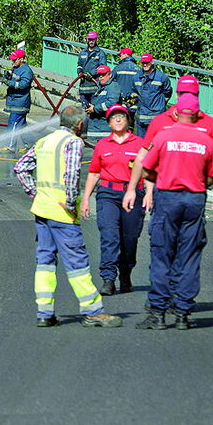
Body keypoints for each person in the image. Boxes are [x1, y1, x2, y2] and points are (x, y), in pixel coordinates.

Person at [14, 105, 122, 328]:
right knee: (77, 262)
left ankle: (45, 312)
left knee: (45, 261)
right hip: (61, 212)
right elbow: (71, 174)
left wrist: (35, 192)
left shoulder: (44, 141)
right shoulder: (73, 143)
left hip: (42, 210)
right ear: (80, 125)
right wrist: (71, 201)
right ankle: (93, 311)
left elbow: (21, 167)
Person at [123, 93, 213, 330]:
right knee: (189, 256)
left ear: (176, 113)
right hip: (195, 199)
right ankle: (183, 313)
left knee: (162, 253)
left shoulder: (165, 136)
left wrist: (163, 178)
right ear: (197, 114)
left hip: (168, 197)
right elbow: (212, 175)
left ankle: (157, 312)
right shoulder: (206, 139)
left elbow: (146, 168)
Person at [80, 104, 146, 295]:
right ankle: (108, 278)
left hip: (133, 195)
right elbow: (93, 174)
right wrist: (86, 199)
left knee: (130, 238)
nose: (118, 119)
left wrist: (149, 194)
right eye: (113, 117)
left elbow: (148, 172)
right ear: (108, 122)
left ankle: (126, 272)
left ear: (128, 121)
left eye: (121, 116)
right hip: (107, 194)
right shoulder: (102, 145)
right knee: (109, 236)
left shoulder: (139, 144)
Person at [140, 75, 213, 214]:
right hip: (165, 193)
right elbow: (147, 159)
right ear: (176, 94)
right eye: (183, 93)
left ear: (198, 96)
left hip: (194, 194)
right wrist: (148, 191)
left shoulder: (209, 124)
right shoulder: (160, 121)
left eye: (192, 94)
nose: (187, 97)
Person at [0, 48, 34, 153]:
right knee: (22, 125)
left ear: (22, 59)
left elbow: (24, 84)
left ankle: (10, 146)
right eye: (12, 59)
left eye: (15, 59)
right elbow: (14, 78)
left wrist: (9, 82)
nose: (13, 61)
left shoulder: (26, 71)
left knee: (13, 124)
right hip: (14, 101)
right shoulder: (15, 68)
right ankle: (30, 145)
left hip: (20, 102)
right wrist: (7, 76)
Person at [133, 53, 172, 136]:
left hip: (156, 118)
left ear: (152, 62)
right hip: (141, 118)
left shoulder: (161, 77)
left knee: (156, 144)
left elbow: (168, 92)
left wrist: (161, 103)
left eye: (147, 62)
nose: (145, 64)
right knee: (141, 144)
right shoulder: (136, 77)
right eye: (143, 62)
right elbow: (134, 91)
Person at [84, 64, 121, 141]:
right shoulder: (101, 87)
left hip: (105, 128)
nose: (100, 77)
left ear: (110, 75)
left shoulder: (113, 86)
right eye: (99, 75)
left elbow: (112, 103)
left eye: (103, 74)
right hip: (96, 127)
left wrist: (95, 108)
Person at [76, 31, 105, 108]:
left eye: (93, 40)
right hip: (83, 87)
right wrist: (79, 73)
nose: (91, 41)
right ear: (87, 39)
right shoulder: (82, 52)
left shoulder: (100, 53)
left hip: (94, 87)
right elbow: (79, 65)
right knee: (84, 109)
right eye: (90, 39)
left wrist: (91, 74)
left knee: (93, 109)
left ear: (96, 40)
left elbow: (102, 68)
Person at [112, 47, 140, 119]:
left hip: (121, 101)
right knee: (130, 124)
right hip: (133, 102)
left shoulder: (118, 68)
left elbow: (111, 82)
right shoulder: (138, 69)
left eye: (120, 55)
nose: (120, 57)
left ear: (125, 55)